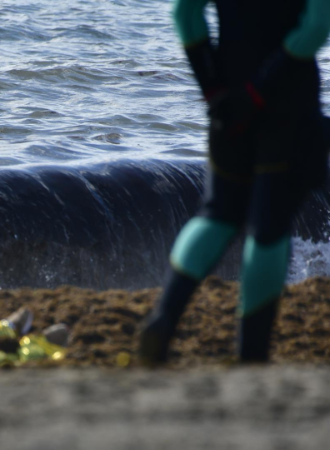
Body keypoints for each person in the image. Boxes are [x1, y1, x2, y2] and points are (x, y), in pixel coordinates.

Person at [139, 0, 330, 365]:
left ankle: (164, 318)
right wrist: (259, 89)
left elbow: (185, 16)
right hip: (286, 104)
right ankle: (251, 353)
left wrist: (214, 92)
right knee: (269, 229)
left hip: (227, 100)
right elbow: (315, 29)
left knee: (218, 213)